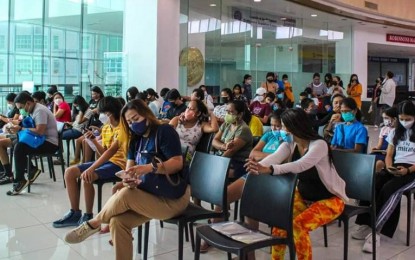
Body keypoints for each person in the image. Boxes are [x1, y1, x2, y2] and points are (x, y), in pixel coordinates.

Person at [63, 99, 190, 260]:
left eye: (135, 119)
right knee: (117, 221)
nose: (133, 124)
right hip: (150, 194)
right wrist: (128, 179)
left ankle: (93, 223)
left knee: (125, 195)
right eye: (129, 122)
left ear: (146, 114)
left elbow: (177, 163)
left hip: (173, 198)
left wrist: (148, 168)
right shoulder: (135, 139)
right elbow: (129, 170)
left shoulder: (163, 131)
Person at [245, 108, 348, 260]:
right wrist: (256, 168)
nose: (282, 130)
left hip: (330, 200)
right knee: (279, 225)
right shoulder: (290, 143)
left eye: (284, 126)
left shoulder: (319, 144)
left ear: (295, 126)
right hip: (304, 196)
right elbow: (274, 158)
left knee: (298, 226)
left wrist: (270, 169)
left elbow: (300, 165)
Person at [200, 111, 284, 253]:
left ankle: (248, 250)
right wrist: (275, 156)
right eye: (273, 125)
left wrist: (267, 158)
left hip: (274, 178)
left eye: (279, 126)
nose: (275, 129)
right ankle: (214, 232)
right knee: (224, 196)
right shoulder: (269, 135)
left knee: (249, 203)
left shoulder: (287, 140)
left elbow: (284, 160)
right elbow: (253, 154)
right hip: (254, 173)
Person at [53, 96, 128, 227]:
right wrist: (93, 140)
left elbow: (110, 152)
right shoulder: (106, 128)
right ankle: (74, 212)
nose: (103, 116)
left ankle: (88, 216)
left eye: (106, 113)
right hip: (107, 161)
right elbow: (103, 153)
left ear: (113, 112)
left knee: (86, 176)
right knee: (69, 172)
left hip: (120, 164)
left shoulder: (124, 127)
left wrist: (92, 167)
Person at [353, 100, 415, 253]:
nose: (404, 122)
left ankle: (376, 232)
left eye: (408, 119)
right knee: (374, 182)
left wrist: (407, 171)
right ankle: (365, 223)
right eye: (402, 118)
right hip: (395, 166)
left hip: (412, 171)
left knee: (390, 189)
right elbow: (389, 155)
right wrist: (389, 168)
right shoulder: (395, 132)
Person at [6, 92, 59, 195]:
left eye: (21, 107)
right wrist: (15, 128)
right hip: (41, 139)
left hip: (49, 143)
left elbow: (40, 131)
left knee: (20, 147)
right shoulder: (33, 109)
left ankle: (20, 180)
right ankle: (32, 170)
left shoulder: (39, 111)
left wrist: (21, 128)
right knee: (17, 143)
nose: (21, 110)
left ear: (28, 103)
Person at [212, 100, 253, 179]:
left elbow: (230, 151)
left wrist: (216, 164)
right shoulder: (226, 124)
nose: (227, 114)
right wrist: (224, 146)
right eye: (227, 111)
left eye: (231, 112)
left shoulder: (243, 129)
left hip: (238, 163)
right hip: (223, 158)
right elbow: (214, 141)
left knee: (214, 173)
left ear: (240, 114)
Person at [370, 107, 398, 172]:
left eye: (386, 118)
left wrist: (386, 151)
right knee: (368, 159)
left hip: (390, 154)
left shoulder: (397, 131)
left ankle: (375, 179)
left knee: (378, 164)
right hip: (381, 152)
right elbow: (379, 145)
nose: (384, 120)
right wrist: (375, 149)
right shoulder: (384, 129)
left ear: (394, 119)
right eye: (383, 118)